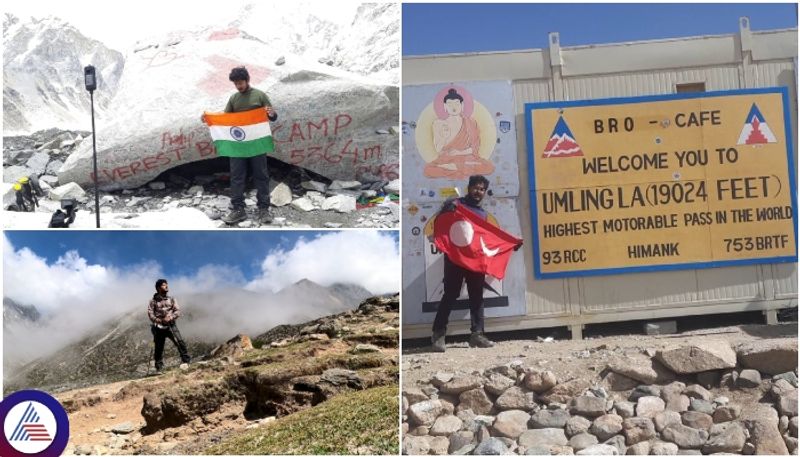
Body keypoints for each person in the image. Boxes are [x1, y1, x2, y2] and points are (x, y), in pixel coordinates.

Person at [431, 174, 509, 352]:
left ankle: (477, 335)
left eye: (482, 189)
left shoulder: (482, 214)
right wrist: (446, 210)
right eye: (476, 188)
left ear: (484, 193)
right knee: (450, 294)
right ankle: (438, 334)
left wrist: (510, 245)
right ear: (469, 188)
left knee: (476, 296)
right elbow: (440, 223)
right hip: (455, 260)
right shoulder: (456, 205)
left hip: (475, 261)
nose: (478, 192)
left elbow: (487, 240)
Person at [204, 66, 278, 225]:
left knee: (261, 176)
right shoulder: (234, 99)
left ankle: (263, 209)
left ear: (247, 80)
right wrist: (210, 119)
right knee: (237, 177)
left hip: (257, 144)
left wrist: (271, 113)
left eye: (241, 82)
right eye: (236, 83)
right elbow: (226, 119)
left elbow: (272, 116)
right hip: (237, 146)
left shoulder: (259, 95)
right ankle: (238, 209)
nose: (239, 86)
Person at [425, 88, 495, 179]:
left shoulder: (470, 122)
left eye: (456, 103)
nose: (453, 107)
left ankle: (455, 169)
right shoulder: (439, 124)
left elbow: (475, 148)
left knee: (488, 167)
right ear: (445, 106)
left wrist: (459, 152)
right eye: (450, 104)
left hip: (467, 158)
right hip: (447, 159)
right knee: (428, 169)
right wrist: (445, 137)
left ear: (462, 105)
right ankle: (461, 169)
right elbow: (438, 149)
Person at [147, 279, 191, 372]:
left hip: (171, 324)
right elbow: (150, 314)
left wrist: (170, 318)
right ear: (158, 288)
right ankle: (159, 368)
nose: (166, 286)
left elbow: (177, 311)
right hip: (158, 327)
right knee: (159, 347)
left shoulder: (172, 299)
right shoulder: (153, 301)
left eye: (166, 284)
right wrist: (159, 320)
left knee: (179, 341)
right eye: (164, 285)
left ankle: (186, 362)